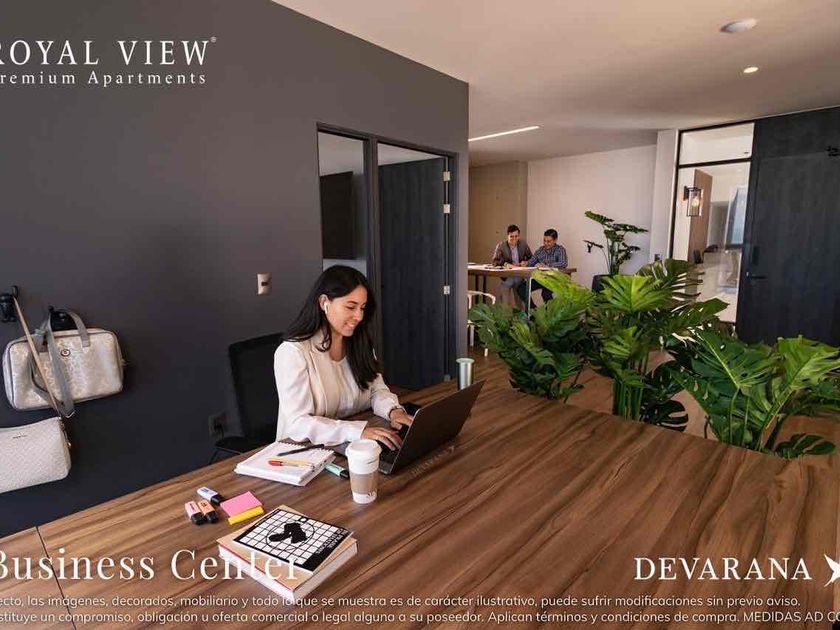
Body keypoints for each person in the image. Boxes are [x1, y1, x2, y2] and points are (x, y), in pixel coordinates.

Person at [274, 265, 413, 450]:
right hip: (302, 453)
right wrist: (357, 432)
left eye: (362, 308)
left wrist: (393, 411)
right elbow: (297, 424)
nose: (359, 316)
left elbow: (376, 390)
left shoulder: (359, 343)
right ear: (324, 302)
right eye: (351, 307)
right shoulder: (293, 352)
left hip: (350, 446)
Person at [516, 228, 568, 307]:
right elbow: (531, 262)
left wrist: (547, 265)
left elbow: (563, 263)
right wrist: (524, 263)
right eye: (544, 240)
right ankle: (534, 311)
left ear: (555, 240)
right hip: (541, 278)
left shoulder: (560, 250)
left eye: (548, 241)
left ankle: (551, 313)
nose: (546, 243)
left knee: (546, 293)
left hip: (554, 278)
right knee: (521, 289)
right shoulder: (540, 250)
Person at [491, 224, 532, 305]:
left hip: (519, 278)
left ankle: (521, 314)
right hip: (506, 278)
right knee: (504, 304)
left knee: (520, 304)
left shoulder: (523, 244)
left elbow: (531, 258)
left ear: (519, 236)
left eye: (516, 236)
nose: (514, 239)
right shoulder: (501, 246)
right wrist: (505, 264)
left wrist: (526, 262)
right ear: (507, 236)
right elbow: (495, 261)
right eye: (511, 236)